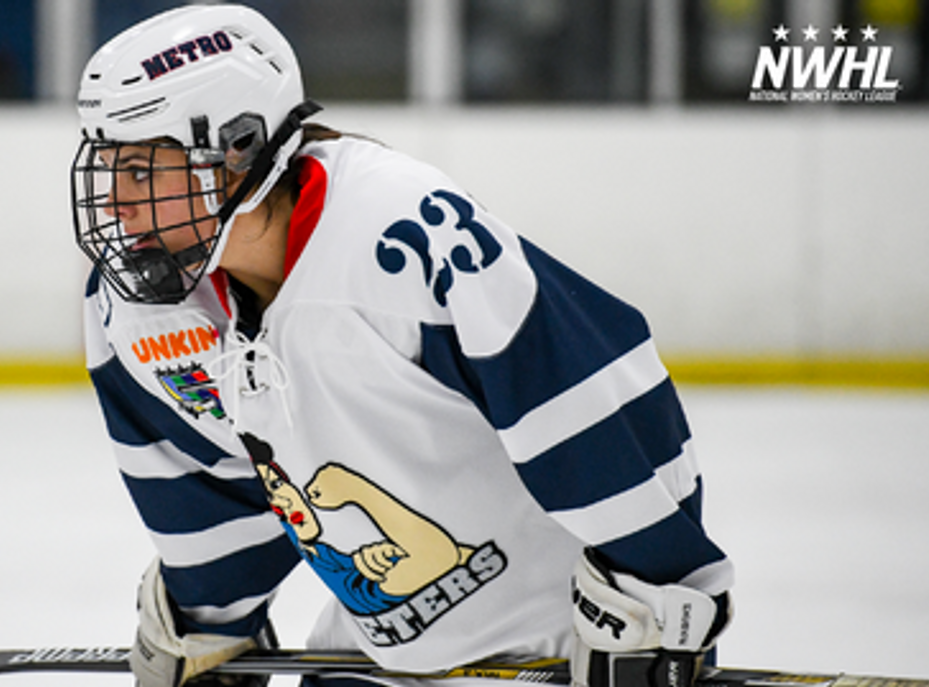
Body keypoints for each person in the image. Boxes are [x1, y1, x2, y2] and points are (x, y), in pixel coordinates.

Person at [68, 5, 734, 687]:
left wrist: (658, 591)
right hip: (371, 654)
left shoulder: (400, 235)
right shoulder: (138, 310)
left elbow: (593, 388)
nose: (117, 205)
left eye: (143, 172)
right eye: (108, 167)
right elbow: (203, 484)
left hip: (553, 645)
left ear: (237, 147)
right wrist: (208, 619)